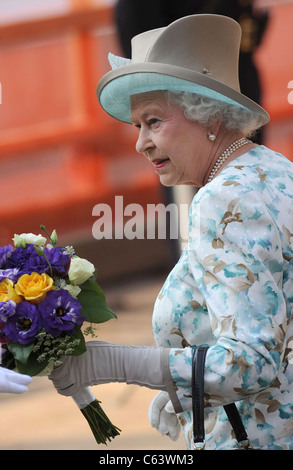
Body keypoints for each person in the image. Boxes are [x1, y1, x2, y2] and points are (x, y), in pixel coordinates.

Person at [50, 15, 293, 450]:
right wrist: (184, 389)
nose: (140, 142)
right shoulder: (274, 170)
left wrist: (117, 363)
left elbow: (252, 364)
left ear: (208, 117)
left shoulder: (222, 201)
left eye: (154, 121)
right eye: (137, 125)